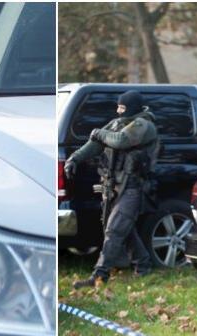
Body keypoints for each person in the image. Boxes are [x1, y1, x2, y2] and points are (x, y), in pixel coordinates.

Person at [65, 90, 159, 288]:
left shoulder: (144, 125)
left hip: (133, 187)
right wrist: (75, 158)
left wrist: (99, 132)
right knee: (123, 229)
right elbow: (95, 143)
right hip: (114, 186)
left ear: (132, 108)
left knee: (115, 229)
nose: (118, 111)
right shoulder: (117, 124)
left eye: (122, 107)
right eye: (118, 107)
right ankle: (143, 266)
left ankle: (99, 276)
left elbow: (121, 140)